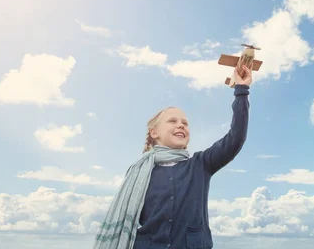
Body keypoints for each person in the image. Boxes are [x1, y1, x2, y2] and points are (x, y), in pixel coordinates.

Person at [92, 64, 252, 249]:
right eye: (172, 121)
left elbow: (236, 137)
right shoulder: (139, 172)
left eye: (185, 123)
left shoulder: (200, 164)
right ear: (154, 133)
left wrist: (242, 90)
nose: (181, 125)